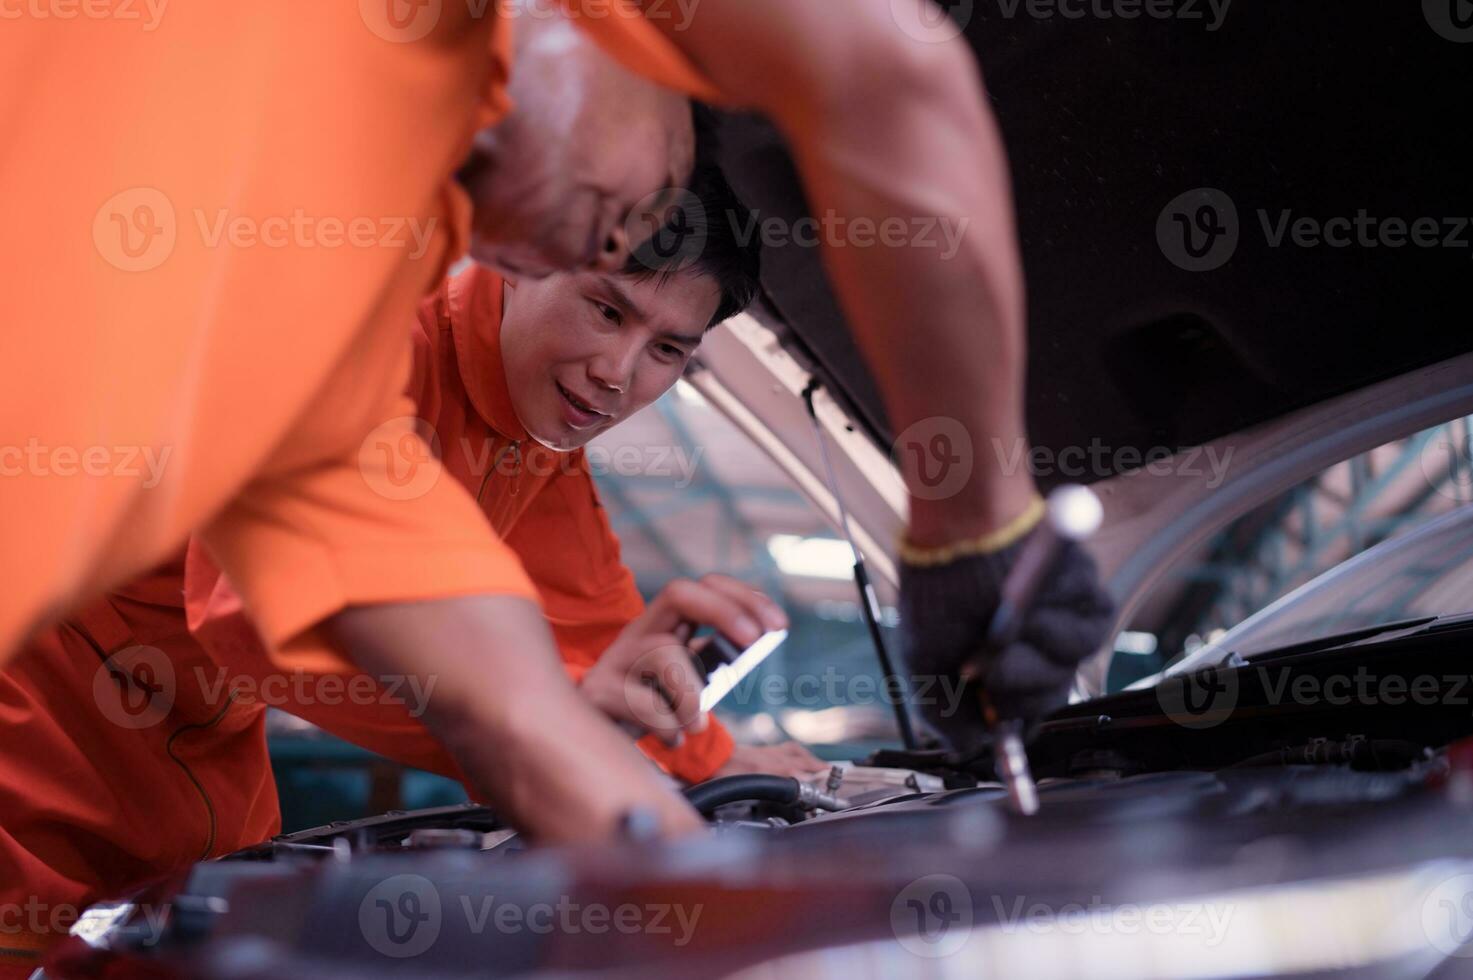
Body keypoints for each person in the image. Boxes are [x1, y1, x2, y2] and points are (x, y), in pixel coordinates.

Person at [0, 0, 1111, 850]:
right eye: (611, 270)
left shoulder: (341, 308)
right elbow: (879, 63)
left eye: (670, 348)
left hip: (183, 820)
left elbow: (520, 706)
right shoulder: (366, 247)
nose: (615, 370)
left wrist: (726, 826)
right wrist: (972, 524)